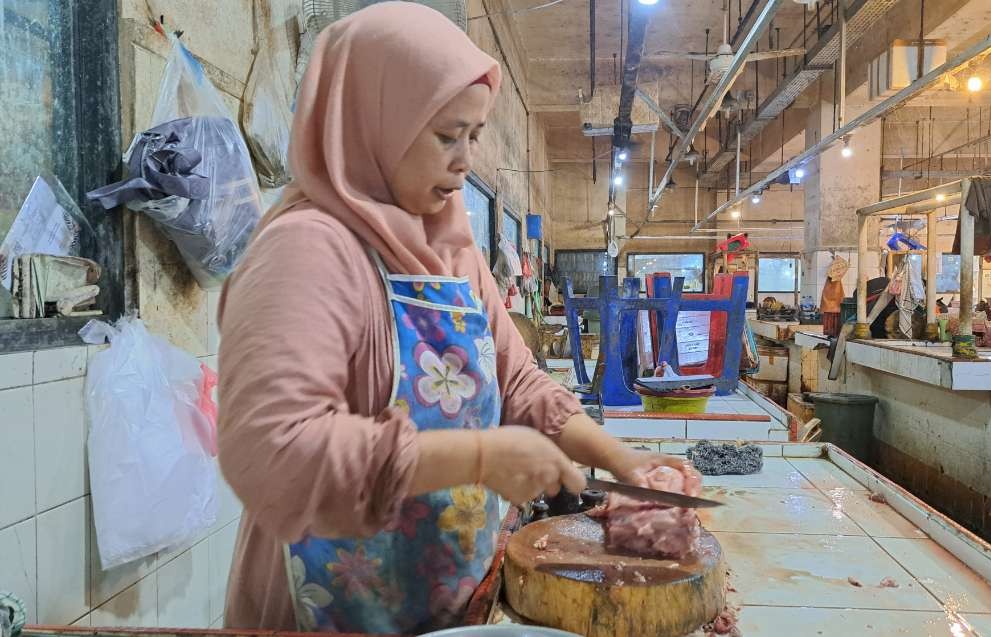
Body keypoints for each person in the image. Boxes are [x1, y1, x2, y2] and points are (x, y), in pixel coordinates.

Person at [215, 3, 685, 634]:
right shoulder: (307, 250)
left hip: (446, 603)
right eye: (445, 136)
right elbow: (271, 452)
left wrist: (625, 465)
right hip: (327, 608)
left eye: (475, 136)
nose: (465, 162)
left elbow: (519, 383)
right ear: (375, 121)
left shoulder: (451, 249)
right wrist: (479, 457)